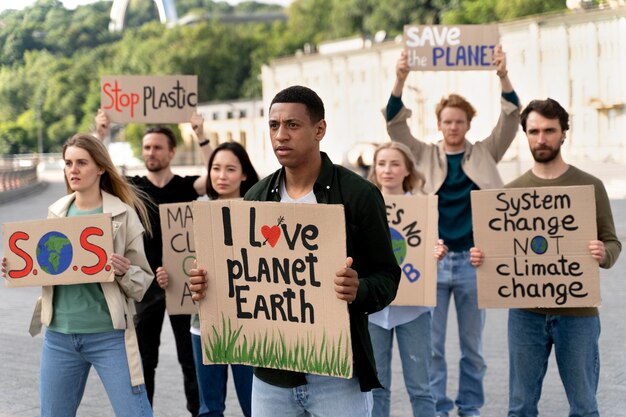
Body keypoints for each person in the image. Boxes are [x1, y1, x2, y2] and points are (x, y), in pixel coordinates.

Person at [188, 85, 401, 417]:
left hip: (337, 376)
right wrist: (207, 287)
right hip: (271, 379)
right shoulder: (257, 197)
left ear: (319, 129)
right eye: (274, 126)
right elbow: (243, 279)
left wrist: (359, 289)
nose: (280, 135)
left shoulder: (359, 194)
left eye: (292, 125)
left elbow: (387, 276)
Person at [384, 45, 521, 417]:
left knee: (473, 349)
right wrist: (400, 78)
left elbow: (511, 118)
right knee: (433, 346)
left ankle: (471, 407)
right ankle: (440, 408)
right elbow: (395, 124)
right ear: (439, 123)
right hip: (433, 262)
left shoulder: (486, 152)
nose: (453, 127)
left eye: (459, 121)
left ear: (468, 124)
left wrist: (502, 75)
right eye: (447, 121)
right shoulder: (424, 154)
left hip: (476, 262)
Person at [469, 98, 621, 417]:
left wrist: (602, 252)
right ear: (525, 134)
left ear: (563, 133)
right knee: (521, 406)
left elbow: (612, 242)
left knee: (584, 406)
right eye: (534, 131)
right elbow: (499, 251)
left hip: (578, 313)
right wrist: (483, 258)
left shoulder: (590, 186)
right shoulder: (509, 193)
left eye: (550, 130)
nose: (541, 139)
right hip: (526, 313)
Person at [2, 134, 154, 417]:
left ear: (100, 168)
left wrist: (123, 271)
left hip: (110, 336)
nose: (73, 169)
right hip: (59, 336)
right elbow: (46, 265)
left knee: (136, 412)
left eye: (82, 163)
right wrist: (16, 266)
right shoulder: (56, 213)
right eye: (68, 162)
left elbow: (142, 282)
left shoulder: (123, 215)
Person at [95, 110, 211, 415]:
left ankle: (197, 411)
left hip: (181, 284)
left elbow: (216, 177)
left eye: (157, 147)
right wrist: (101, 134)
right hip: (144, 283)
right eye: (146, 147)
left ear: (171, 152)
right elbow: (98, 174)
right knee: (145, 359)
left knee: (190, 357)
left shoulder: (186, 186)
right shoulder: (132, 188)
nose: (151, 152)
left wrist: (201, 135)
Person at [155, 141, 259, 417]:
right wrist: (170, 276)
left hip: (249, 325)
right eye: (215, 168)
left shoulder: (259, 212)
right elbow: (181, 265)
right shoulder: (194, 211)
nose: (221, 176)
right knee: (209, 409)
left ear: (245, 174)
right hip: (204, 324)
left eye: (230, 169)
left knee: (256, 406)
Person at [367, 141, 447, 417]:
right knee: (376, 387)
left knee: (421, 388)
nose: (387, 170)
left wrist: (436, 252)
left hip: (413, 310)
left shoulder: (423, 209)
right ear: (374, 169)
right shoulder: (363, 206)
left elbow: (428, 248)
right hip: (374, 311)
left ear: (407, 170)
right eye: (381, 163)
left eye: (394, 164)